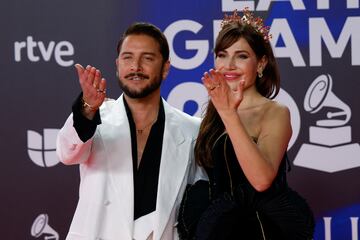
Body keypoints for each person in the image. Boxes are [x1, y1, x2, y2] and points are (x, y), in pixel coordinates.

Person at [56, 22, 204, 240]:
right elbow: (67, 153)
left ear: (165, 68)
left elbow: (198, 204)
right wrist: (87, 107)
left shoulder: (192, 130)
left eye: (147, 58)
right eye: (128, 57)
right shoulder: (94, 116)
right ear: (117, 65)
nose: (136, 66)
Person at [177, 8, 315, 240]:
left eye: (241, 56)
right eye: (222, 54)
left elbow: (261, 180)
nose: (229, 65)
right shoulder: (212, 114)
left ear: (261, 64)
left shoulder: (275, 112)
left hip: (261, 228)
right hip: (217, 226)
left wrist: (228, 113)